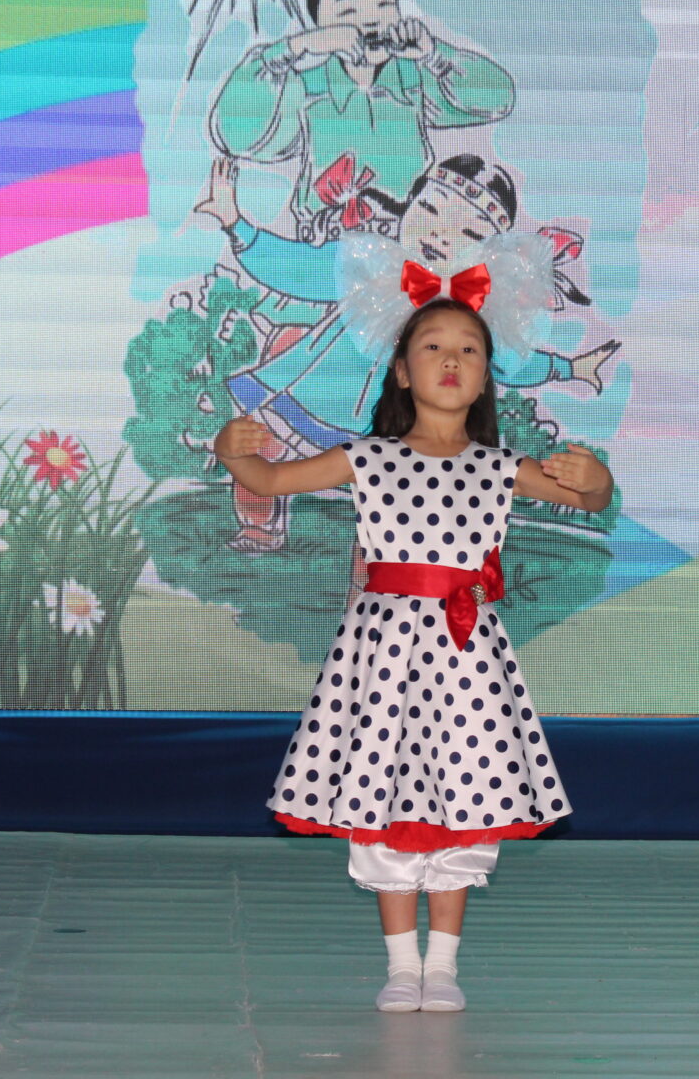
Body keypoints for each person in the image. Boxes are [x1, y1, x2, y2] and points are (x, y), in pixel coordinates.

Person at [213, 297, 613, 1012]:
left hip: (467, 659)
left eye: (470, 349)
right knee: (383, 792)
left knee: (465, 794)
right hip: (384, 656)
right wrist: (230, 450)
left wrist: (596, 480)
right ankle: (402, 966)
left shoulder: (502, 467)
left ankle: (444, 967)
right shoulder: (366, 457)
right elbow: (269, 480)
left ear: (486, 378)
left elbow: (589, 501)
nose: (452, 359)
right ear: (401, 372)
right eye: (433, 346)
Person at [196, 152, 618, 551]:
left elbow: (515, 362)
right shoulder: (370, 266)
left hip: (459, 590)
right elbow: (295, 268)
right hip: (312, 393)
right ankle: (259, 529)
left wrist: (571, 378)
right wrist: (236, 224)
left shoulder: (494, 464)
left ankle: (360, 583)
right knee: (270, 443)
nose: (440, 235)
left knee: (379, 528)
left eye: (470, 233)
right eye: (430, 210)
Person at [206, 0, 515, 243]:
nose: (370, 21)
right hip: (330, 242)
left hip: (411, 241)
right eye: (348, 11)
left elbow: (499, 101)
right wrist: (293, 48)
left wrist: (434, 54)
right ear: (318, 25)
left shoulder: (413, 80)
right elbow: (235, 137)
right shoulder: (307, 88)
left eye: (384, 5)